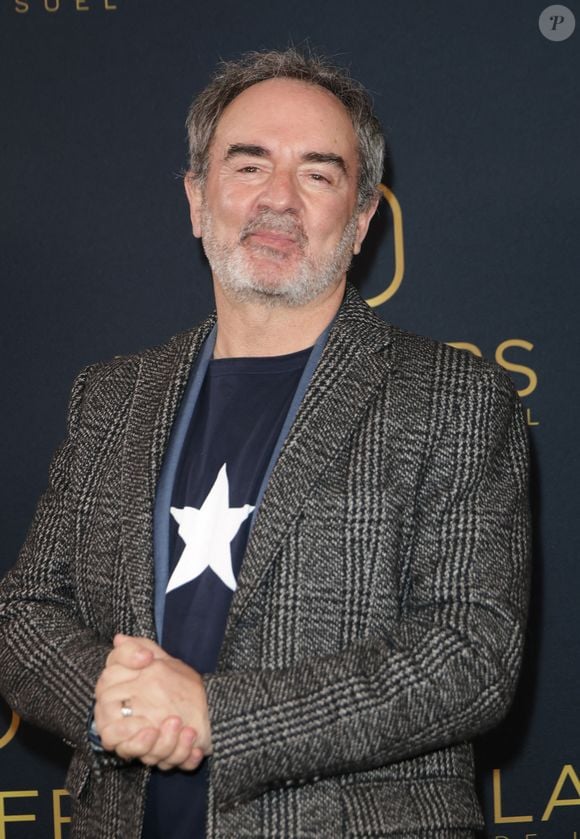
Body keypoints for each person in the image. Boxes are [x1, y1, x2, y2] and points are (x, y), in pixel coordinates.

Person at [0, 48, 531, 839]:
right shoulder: (111, 394)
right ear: (195, 198)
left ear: (358, 223)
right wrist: (112, 705)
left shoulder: (457, 399)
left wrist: (218, 715)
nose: (278, 199)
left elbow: (470, 655)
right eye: (248, 165)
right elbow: (26, 613)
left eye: (318, 174)